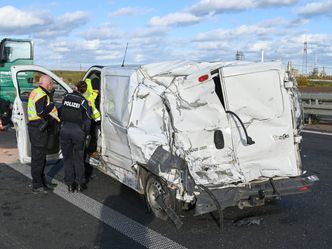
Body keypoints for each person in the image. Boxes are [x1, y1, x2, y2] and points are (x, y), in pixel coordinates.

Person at [27, 75, 60, 194]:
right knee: (38, 159)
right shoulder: (42, 95)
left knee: (40, 158)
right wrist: (51, 105)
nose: (52, 86)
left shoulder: (36, 91)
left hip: (35, 128)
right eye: (51, 84)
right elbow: (40, 111)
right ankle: (37, 185)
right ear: (48, 84)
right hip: (38, 130)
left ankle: (41, 181)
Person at [60, 80, 91, 192]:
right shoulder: (83, 101)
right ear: (85, 90)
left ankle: (69, 184)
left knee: (67, 158)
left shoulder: (66, 97)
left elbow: (61, 111)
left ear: (76, 87)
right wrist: (86, 134)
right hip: (78, 132)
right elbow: (88, 120)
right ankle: (79, 184)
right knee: (78, 158)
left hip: (65, 130)